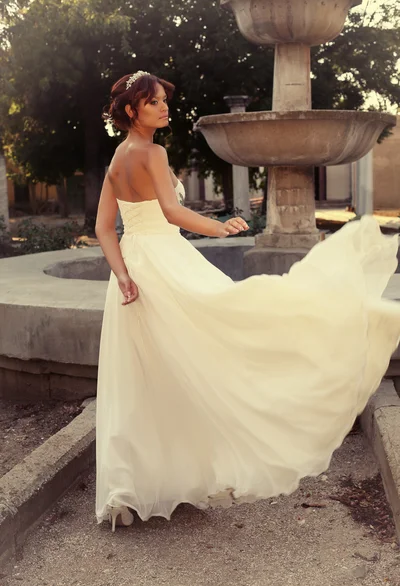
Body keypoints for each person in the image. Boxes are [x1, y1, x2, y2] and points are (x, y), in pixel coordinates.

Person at [95, 71, 400, 532]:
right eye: (155, 102)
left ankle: (136, 485)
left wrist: (121, 276)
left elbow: (104, 227)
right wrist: (221, 226)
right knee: (231, 326)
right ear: (133, 110)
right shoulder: (152, 152)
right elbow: (172, 211)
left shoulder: (118, 159)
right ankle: (345, 325)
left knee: (149, 374)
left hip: (137, 266)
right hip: (164, 259)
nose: (165, 107)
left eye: (163, 101)